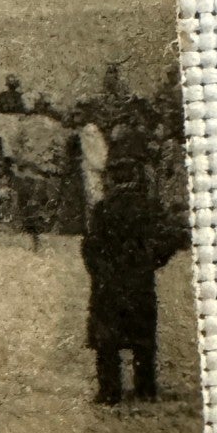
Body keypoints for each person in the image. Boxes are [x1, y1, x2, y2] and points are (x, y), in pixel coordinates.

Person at [81, 149, 187, 404]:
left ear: (113, 180)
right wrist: (151, 261)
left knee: (108, 340)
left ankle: (109, 391)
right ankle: (145, 388)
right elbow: (170, 238)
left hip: (109, 284)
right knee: (143, 337)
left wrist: (100, 270)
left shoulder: (102, 209)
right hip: (139, 281)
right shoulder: (149, 207)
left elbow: (90, 246)